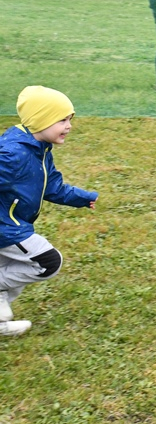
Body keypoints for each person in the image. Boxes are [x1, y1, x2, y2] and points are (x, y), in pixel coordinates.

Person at [0, 87, 98, 338]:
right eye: (62, 120)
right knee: (48, 262)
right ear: (40, 120)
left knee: (10, 269)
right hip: (7, 228)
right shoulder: (12, 153)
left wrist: (83, 198)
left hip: (14, 223)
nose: (69, 126)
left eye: (70, 119)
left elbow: (52, 186)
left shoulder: (40, 149)